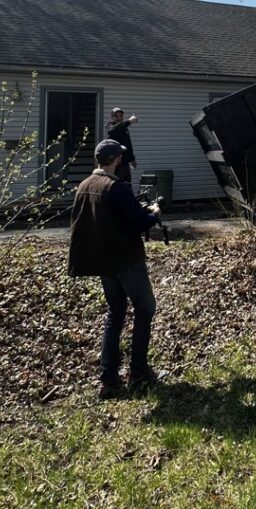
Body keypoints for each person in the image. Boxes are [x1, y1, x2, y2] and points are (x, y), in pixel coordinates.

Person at [68, 138, 161, 400]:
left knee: (115, 314)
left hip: (103, 263)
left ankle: (109, 380)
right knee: (145, 309)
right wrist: (155, 212)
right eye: (120, 155)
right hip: (126, 261)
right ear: (117, 159)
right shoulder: (116, 188)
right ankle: (139, 373)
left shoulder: (85, 186)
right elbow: (140, 223)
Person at [106, 107, 138, 183]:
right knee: (118, 185)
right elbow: (113, 131)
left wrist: (132, 159)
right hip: (116, 164)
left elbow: (128, 144)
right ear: (112, 117)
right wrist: (129, 121)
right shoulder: (110, 126)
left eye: (121, 116)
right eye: (116, 116)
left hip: (125, 163)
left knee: (127, 185)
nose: (119, 118)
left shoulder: (124, 127)